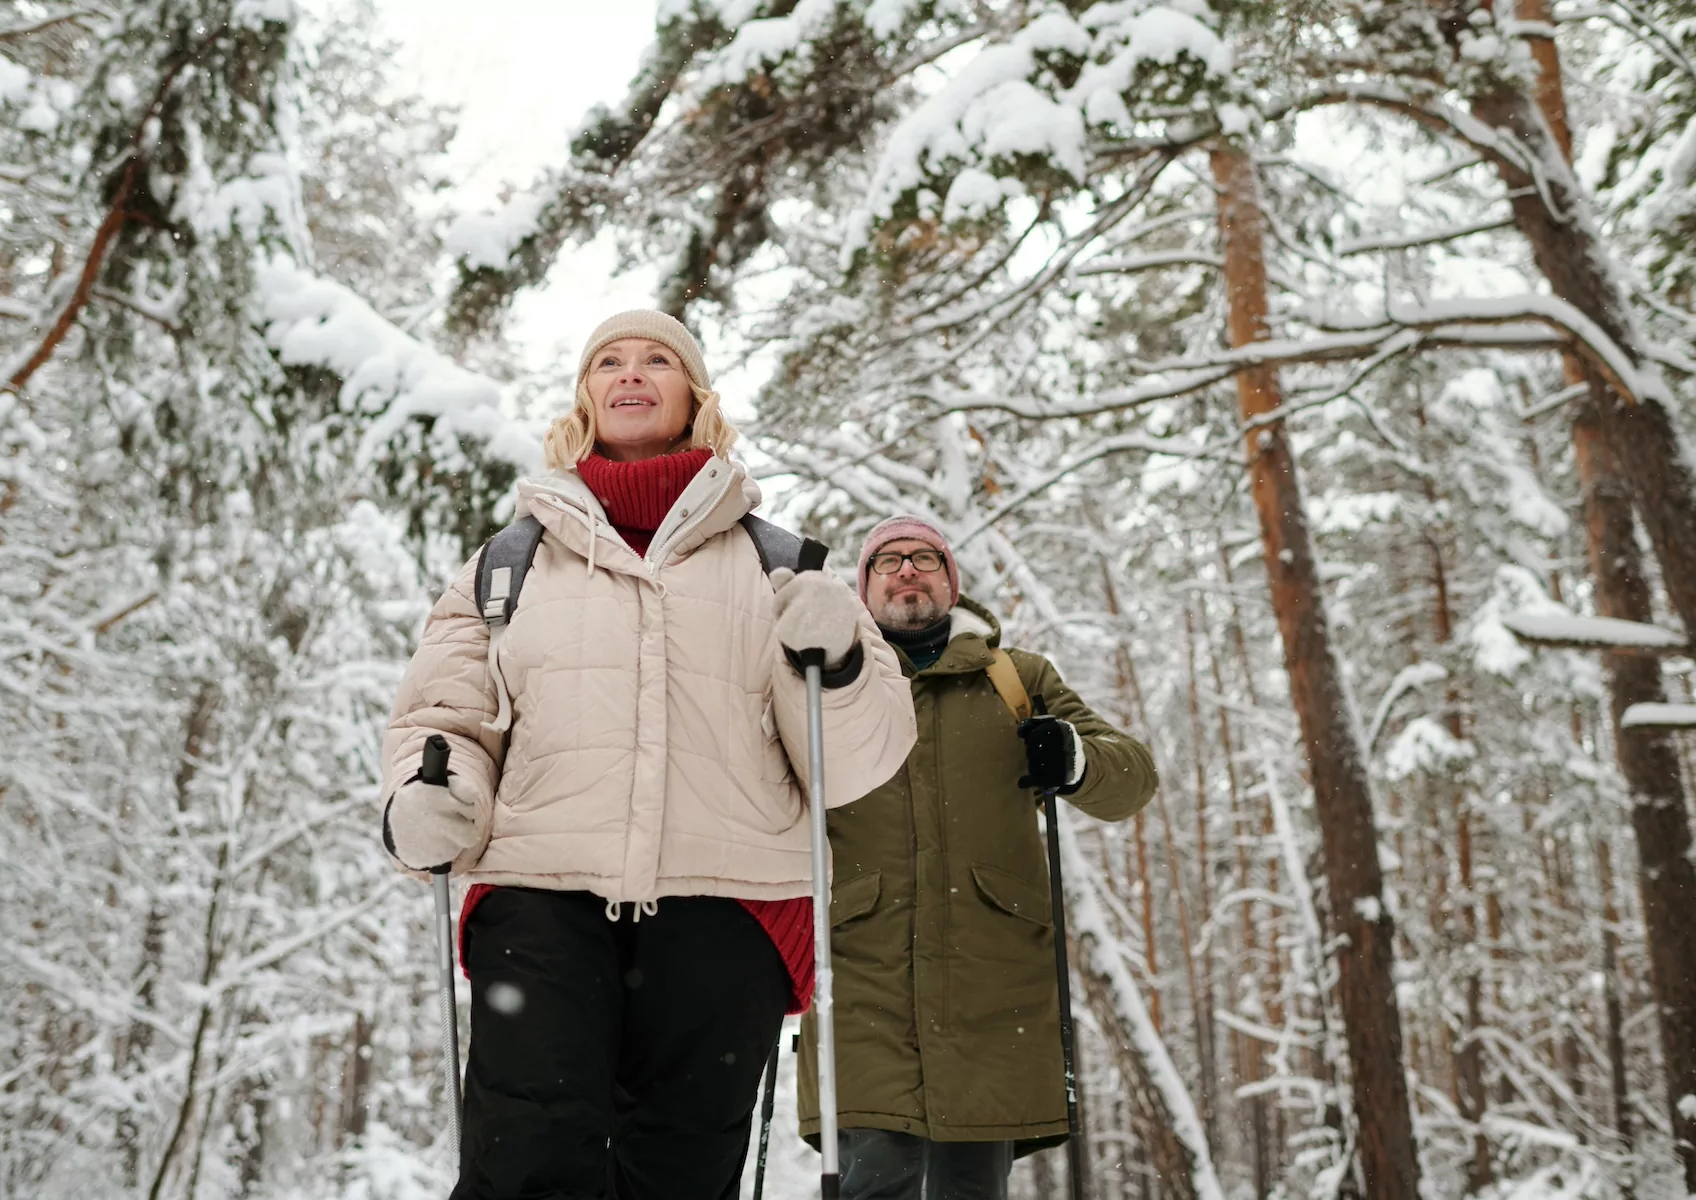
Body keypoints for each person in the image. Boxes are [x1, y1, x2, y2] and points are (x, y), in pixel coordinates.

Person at [378, 311, 917, 1200]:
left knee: (678, 1176)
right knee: (526, 1164)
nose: (631, 375)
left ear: (693, 394)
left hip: (728, 909)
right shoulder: (508, 566)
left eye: (657, 360)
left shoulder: (780, 565)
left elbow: (853, 761)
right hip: (542, 898)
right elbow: (446, 722)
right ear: (587, 396)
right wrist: (433, 800)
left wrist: (844, 663)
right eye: (610, 362)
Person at [796, 515, 1158, 1200]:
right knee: (873, 1180)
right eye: (888, 562)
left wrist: (1076, 759)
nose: (907, 571)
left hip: (993, 989)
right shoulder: (828, 682)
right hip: (859, 979)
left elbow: (1132, 779)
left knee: (972, 1190)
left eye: (925, 559)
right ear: (863, 589)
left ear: (951, 582)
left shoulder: (1016, 679)